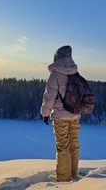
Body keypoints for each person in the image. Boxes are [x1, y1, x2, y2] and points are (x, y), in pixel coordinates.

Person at [40, 45, 80, 182]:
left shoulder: (55, 75)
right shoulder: (74, 72)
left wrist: (45, 112)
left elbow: (49, 96)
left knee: (63, 146)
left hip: (60, 116)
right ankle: (74, 174)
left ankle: (64, 179)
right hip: (74, 115)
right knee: (74, 144)